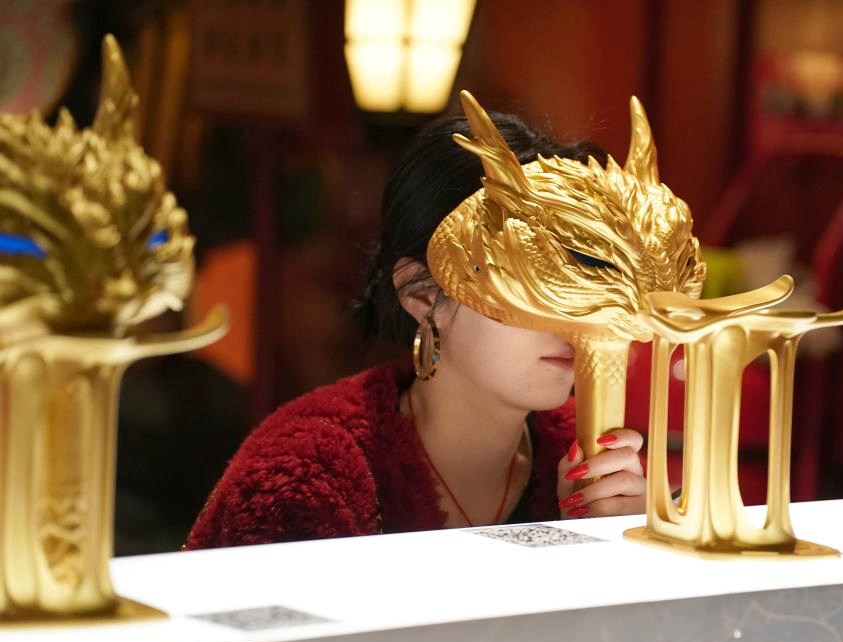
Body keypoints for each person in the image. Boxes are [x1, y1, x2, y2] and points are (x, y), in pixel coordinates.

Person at [185, 112, 646, 549]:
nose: (575, 319)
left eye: (590, 283)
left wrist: (609, 544)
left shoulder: (587, 458)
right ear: (422, 295)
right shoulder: (306, 473)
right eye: (533, 282)